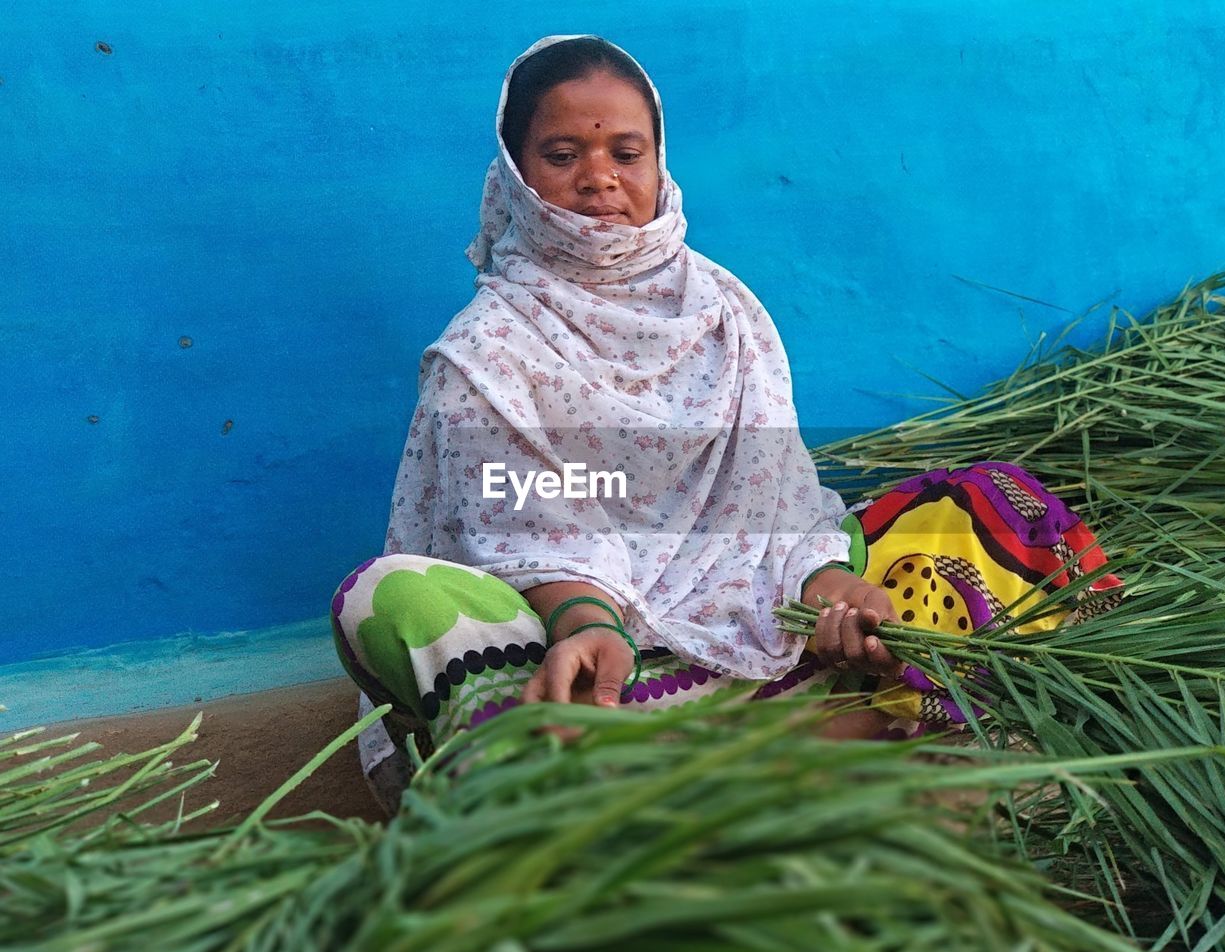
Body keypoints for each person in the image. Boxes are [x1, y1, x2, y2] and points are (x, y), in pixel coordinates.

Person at [329, 35, 1120, 812]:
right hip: (583, 639)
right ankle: (822, 742)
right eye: (563, 156)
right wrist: (590, 622)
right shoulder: (482, 354)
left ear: (658, 160)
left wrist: (830, 592)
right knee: (390, 598)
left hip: (755, 610)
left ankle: (700, 773)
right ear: (516, 176)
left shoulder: (722, 309)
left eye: (626, 154)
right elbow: (526, 522)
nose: (600, 180)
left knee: (988, 503)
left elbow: (773, 502)